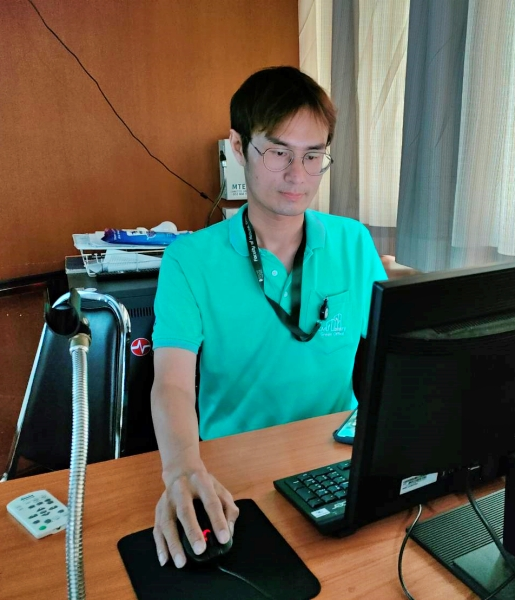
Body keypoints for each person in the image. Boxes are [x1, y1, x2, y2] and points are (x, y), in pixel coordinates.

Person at [150, 66, 387, 568]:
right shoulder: (189, 261)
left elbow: (395, 354)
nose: (297, 175)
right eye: (278, 152)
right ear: (239, 146)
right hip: (232, 473)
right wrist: (182, 468)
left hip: (336, 463)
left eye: (313, 155)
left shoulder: (353, 242)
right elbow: (171, 383)